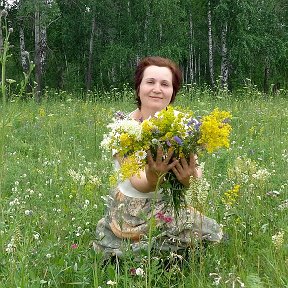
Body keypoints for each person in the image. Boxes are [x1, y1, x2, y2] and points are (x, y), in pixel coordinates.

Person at [94, 56, 223, 258]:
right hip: (134, 209)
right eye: (150, 82)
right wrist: (155, 176)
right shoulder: (123, 128)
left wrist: (188, 179)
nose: (157, 89)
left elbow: (194, 173)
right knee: (139, 251)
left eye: (165, 84)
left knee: (211, 234)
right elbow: (139, 182)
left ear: (172, 92)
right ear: (138, 88)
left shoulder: (184, 124)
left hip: (170, 201)